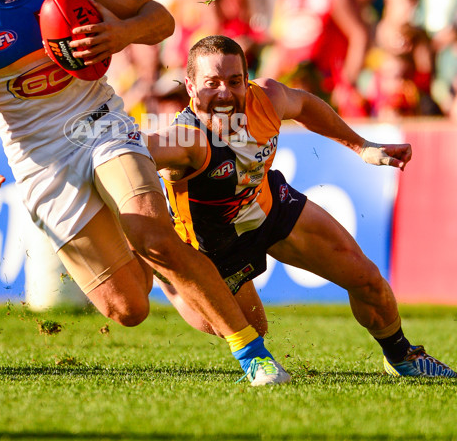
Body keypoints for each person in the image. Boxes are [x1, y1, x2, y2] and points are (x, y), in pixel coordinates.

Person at [0, 0, 284, 387]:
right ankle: (169, 260)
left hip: (100, 123)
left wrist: (120, 33)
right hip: (40, 162)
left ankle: (253, 354)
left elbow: (159, 19)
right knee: (127, 307)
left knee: (147, 231)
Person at [146, 34, 456, 379]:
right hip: (212, 245)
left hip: (270, 207)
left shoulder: (267, 98)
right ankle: (170, 280)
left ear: (246, 80)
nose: (224, 93)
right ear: (190, 87)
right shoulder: (183, 141)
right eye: (211, 83)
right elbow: (133, 153)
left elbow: (306, 106)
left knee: (368, 280)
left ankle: (403, 357)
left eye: (234, 81)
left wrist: (362, 146)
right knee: (254, 327)